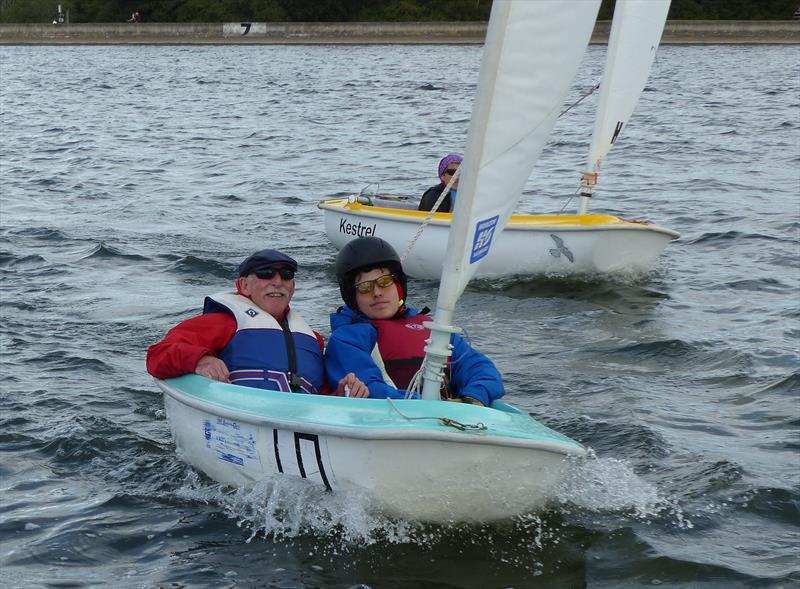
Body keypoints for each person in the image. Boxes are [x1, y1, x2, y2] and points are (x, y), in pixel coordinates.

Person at [147, 248, 366, 396]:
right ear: (244, 286)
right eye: (266, 274)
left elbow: (319, 393)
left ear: (293, 287)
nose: (277, 282)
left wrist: (342, 393)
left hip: (300, 422)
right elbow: (158, 355)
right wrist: (200, 360)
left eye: (286, 275)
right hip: (240, 414)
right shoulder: (223, 322)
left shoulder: (313, 339)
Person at [325, 236, 504, 405]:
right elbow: (369, 388)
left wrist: (473, 397)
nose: (377, 292)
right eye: (364, 287)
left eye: (385, 281)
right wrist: (430, 406)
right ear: (352, 296)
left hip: (448, 418)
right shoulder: (347, 339)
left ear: (398, 285)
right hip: (397, 421)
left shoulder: (432, 329)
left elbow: (481, 370)